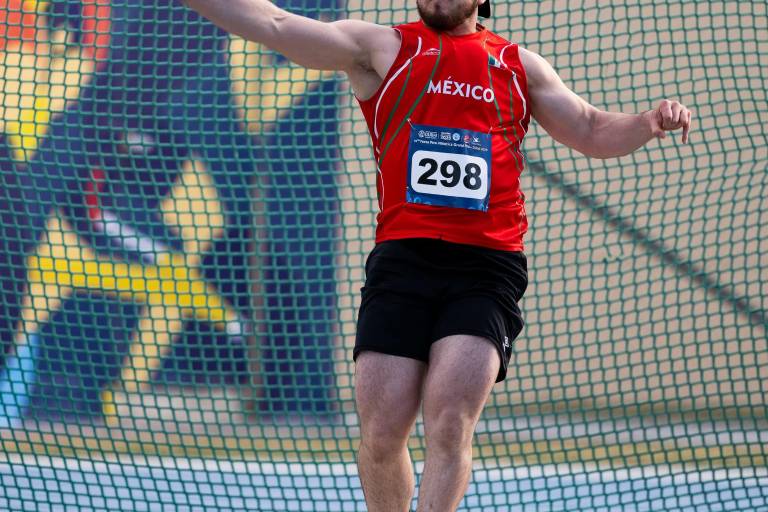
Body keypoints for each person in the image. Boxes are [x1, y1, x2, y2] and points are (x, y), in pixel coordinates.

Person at [183, 0, 692, 510]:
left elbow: (590, 127)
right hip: (403, 261)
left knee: (450, 422)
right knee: (382, 433)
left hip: (487, 266)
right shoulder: (381, 48)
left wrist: (649, 120)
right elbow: (274, 23)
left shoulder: (518, 65)